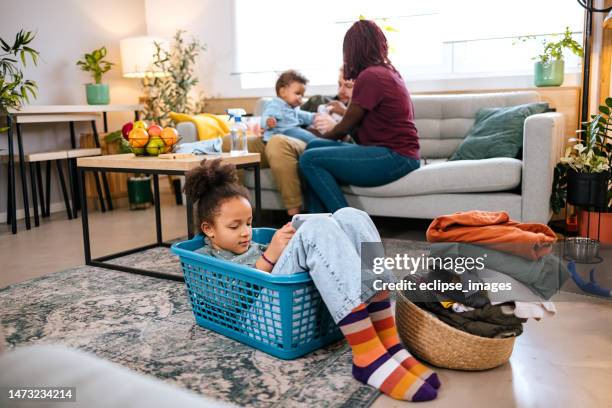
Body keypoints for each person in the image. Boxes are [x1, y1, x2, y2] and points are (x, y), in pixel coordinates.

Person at [184, 159, 440, 402]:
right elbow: (228, 302)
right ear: (208, 229)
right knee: (316, 230)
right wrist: (270, 258)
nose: (245, 232)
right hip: (256, 323)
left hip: (289, 309)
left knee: (352, 216)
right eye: (234, 226)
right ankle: (368, 356)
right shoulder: (202, 258)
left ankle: (389, 343)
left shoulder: (255, 243)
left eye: (249, 223)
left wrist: (284, 247)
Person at [299, 20, 421, 213]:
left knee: (310, 159)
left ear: (352, 50)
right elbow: (357, 122)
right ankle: (318, 226)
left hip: (395, 156)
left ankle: (349, 226)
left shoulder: (370, 76)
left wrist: (317, 135)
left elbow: (343, 128)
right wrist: (319, 137)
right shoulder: (388, 72)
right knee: (313, 148)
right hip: (399, 154)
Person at [261, 70, 319, 144]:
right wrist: (268, 121)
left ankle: (317, 144)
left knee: (310, 136)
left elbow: (301, 115)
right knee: (309, 138)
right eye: (297, 93)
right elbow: (265, 116)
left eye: (302, 95)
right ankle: (317, 144)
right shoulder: (275, 105)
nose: (300, 97)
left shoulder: (293, 107)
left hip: (292, 131)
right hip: (281, 133)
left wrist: (314, 117)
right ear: (283, 92)